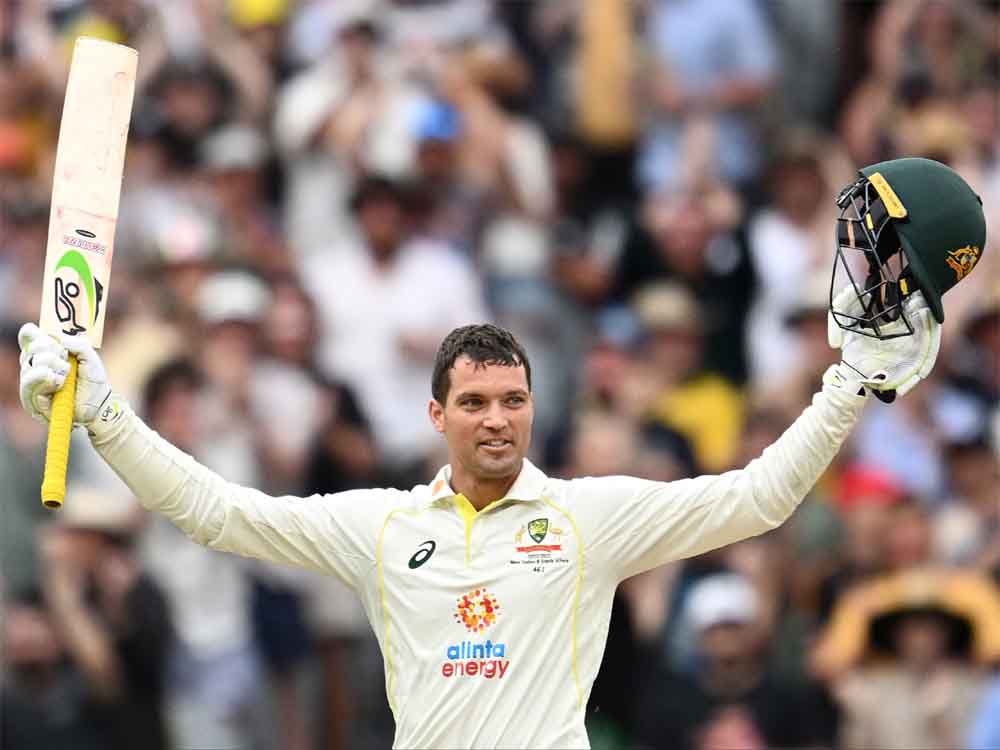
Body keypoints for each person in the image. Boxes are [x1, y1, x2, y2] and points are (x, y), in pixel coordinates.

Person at [13, 157, 983, 749]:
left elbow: (759, 498)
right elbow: (215, 512)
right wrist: (101, 410)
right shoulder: (381, 526)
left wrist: (845, 387)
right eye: (474, 403)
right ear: (436, 415)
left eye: (514, 401)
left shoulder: (588, 518)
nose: (496, 420)